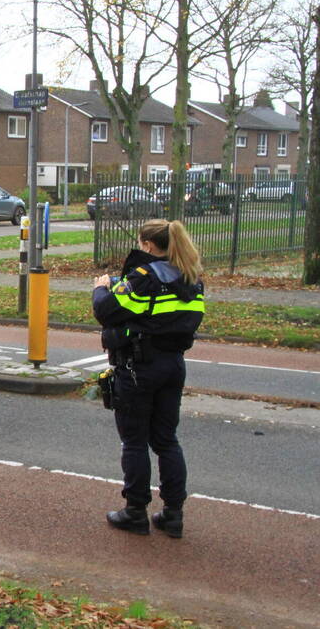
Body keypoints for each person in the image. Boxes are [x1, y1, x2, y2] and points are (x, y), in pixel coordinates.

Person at [92, 219, 205, 538]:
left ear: (149, 246)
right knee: (166, 440)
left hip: (139, 367)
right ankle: (173, 514)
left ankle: (136, 511)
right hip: (173, 366)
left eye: (141, 245)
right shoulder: (191, 277)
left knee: (134, 440)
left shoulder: (144, 278)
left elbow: (108, 311)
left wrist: (100, 289)